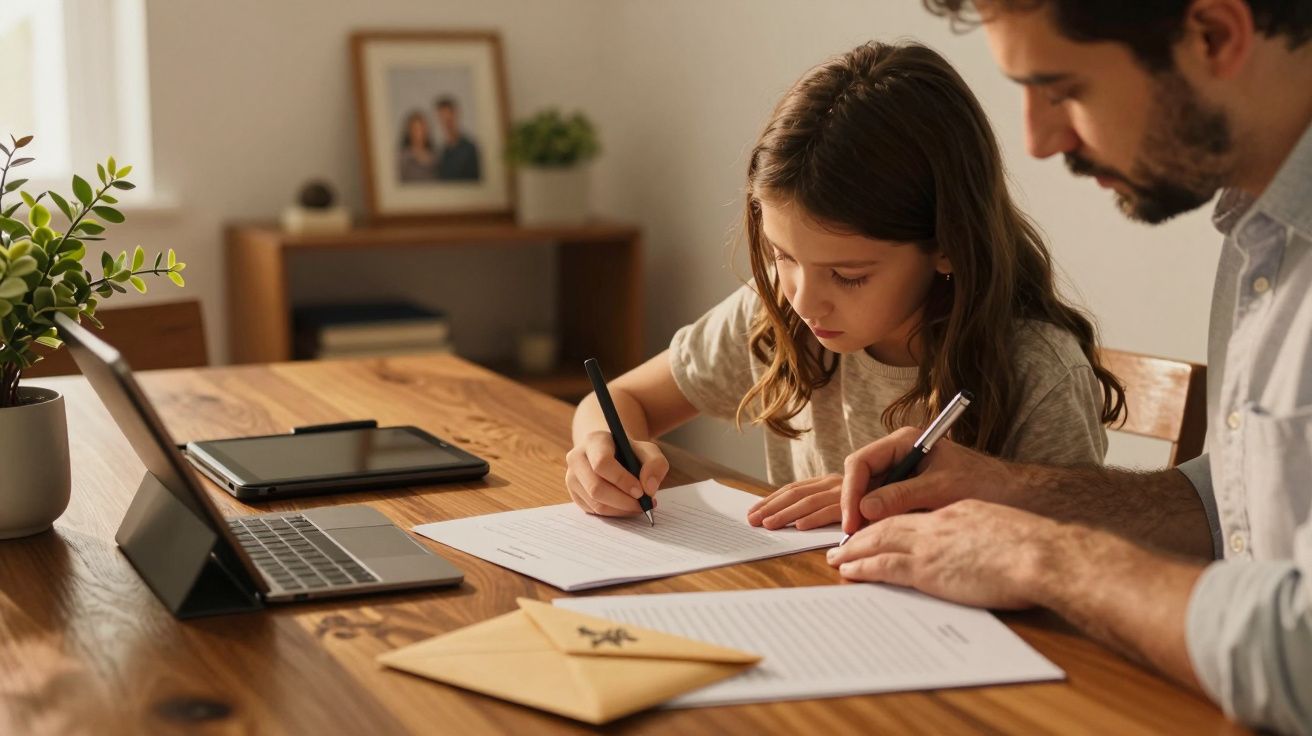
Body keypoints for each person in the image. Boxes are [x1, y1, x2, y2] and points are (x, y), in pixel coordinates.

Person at [827, 2, 1312, 732]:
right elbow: (1240, 510)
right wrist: (1014, 490)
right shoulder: (1261, 234)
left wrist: (1048, 558)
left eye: (1062, 90)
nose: (1038, 141)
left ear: (1214, 36)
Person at [564, 42, 1126, 533]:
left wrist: (897, 510)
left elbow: (1079, 558)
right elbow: (620, 400)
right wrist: (603, 450)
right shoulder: (776, 312)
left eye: (849, 275)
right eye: (782, 255)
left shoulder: (1037, 373)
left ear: (948, 244)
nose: (805, 300)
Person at [433, 96, 481, 181]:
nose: (447, 124)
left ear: (456, 115)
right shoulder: (442, 152)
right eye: (443, 119)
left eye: (449, 119)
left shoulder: (470, 149)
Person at [397, 110, 436, 183]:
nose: (420, 133)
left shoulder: (435, 156)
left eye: (422, 128)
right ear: (409, 131)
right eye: (416, 129)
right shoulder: (403, 157)